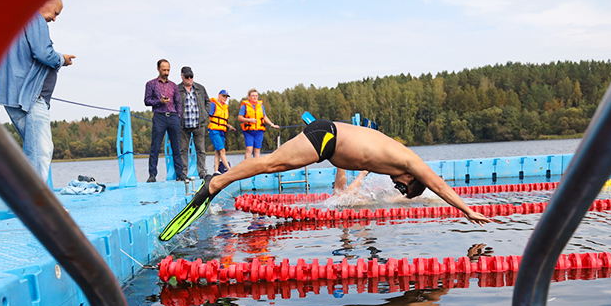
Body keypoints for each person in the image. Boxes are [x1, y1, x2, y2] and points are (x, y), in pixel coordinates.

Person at [159, 118, 491, 240]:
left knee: (272, 165)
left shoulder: (392, 163)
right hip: (326, 137)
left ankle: (219, 180)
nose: (397, 187)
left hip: (328, 139)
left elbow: (360, 163)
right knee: (271, 164)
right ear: (411, 177)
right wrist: (466, 209)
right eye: (403, 187)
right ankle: (217, 182)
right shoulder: (410, 161)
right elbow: (439, 184)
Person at [0, 0, 74, 182]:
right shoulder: (34, 19)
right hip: (30, 98)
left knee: (33, 150)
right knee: (41, 151)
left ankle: (27, 198)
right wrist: (61, 59)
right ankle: (37, 206)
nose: (54, 19)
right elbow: (43, 53)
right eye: (55, 13)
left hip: (11, 95)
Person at [144, 59, 186, 183]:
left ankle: (180, 174)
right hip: (159, 116)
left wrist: (179, 117)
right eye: (164, 70)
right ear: (158, 69)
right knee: (155, 147)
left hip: (173, 116)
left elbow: (178, 102)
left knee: (176, 147)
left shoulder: (173, 85)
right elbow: (147, 101)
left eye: (168, 70)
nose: (166, 72)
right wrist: (159, 102)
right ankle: (152, 174)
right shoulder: (151, 84)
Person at [178, 66, 210, 179]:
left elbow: (208, 102)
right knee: (183, 150)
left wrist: (205, 115)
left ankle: (202, 172)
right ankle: (183, 173)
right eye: (187, 77)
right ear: (182, 76)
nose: (189, 79)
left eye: (191, 76)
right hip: (183, 125)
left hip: (199, 124)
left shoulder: (201, 88)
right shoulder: (177, 89)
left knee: (200, 149)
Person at [237, 89, 279, 159]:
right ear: (249, 97)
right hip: (249, 131)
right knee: (249, 150)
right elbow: (239, 118)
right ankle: (247, 166)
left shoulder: (261, 106)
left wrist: (272, 125)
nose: (255, 97)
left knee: (257, 150)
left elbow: (264, 117)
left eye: (256, 96)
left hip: (259, 131)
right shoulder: (245, 106)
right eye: (253, 96)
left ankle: (256, 168)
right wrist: (249, 120)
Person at [207, 90, 235, 174]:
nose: (225, 98)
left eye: (226, 97)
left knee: (218, 151)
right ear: (219, 96)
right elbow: (209, 115)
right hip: (214, 130)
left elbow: (223, 120)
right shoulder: (213, 104)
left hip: (222, 131)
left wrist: (229, 126)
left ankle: (216, 170)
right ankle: (229, 170)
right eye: (223, 96)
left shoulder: (225, 107)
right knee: (222, 150)